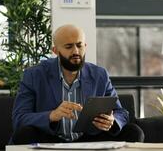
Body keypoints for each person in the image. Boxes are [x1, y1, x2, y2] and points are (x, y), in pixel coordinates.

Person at [12, 24, 144, 144]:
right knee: (23, 134)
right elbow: (19, 118)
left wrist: (112, 120)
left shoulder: (99, 75)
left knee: (133, 132)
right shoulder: (34, 75)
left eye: (79, 45)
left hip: (88, 139)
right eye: (69, 46)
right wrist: (51, 115)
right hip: (51, 139)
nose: (75, 51)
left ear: (85, 47)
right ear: (55, 51)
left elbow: (121, 113)